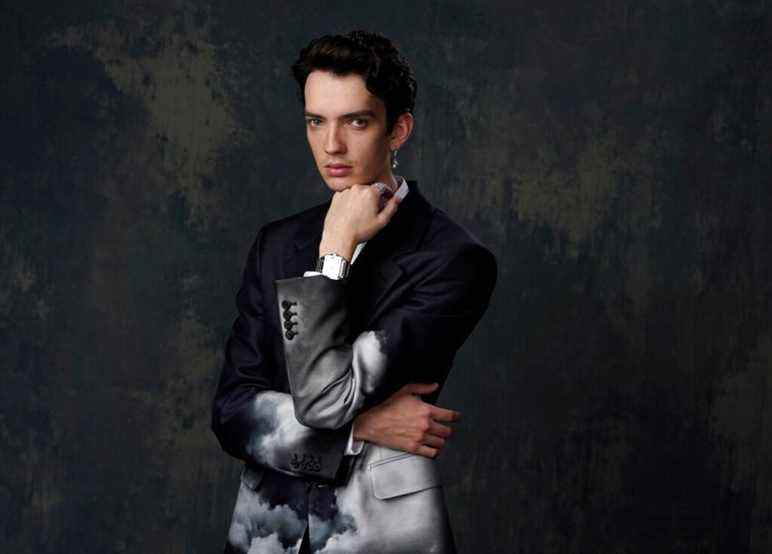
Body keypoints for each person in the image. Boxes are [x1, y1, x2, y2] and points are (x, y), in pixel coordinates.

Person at [211, 29, 497, 554]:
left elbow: (323, 400)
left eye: (356, 121)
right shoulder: (276, 243)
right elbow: (231, 411)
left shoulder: (453, 260)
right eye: (316, 121)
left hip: (379, 535)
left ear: (398, 130)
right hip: (263, 533)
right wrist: (362, 428)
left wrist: (334, 254)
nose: (331, 146)